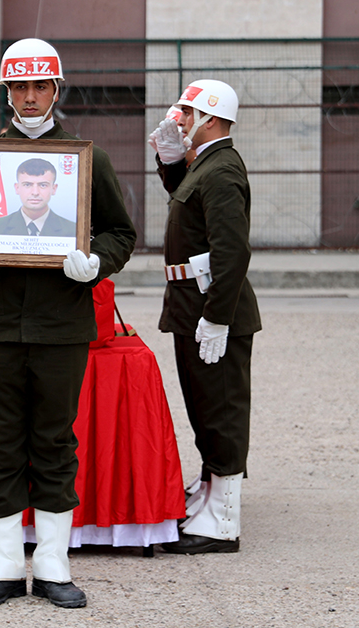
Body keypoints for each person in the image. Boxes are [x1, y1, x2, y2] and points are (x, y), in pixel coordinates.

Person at [0, 38, 136, 610]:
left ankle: (51, 562)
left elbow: (121, 232)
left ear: (55, 88)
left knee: (53, 440)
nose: (28, 96)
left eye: (39, 85)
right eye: (18, 86)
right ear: (7, 91)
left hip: (61, 327)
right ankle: (2, 562)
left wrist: (97, 262)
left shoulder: (84, 159)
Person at [149, 79, 262, 556]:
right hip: (191, 303)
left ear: (209, 118)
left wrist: (217, 316)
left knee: (221, 410)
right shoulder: (206, 165)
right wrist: (172, 161)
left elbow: (231, 250)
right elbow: (187, 205)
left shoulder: (219, 170)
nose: (179, 120)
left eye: (186, 114)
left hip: (210, 307)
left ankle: (224, 520)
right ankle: (212, 491)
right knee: (203, 406)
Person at [0, 158, 77, 237]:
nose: (35, 192)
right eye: (27, 185)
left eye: (43, 185)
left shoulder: (73, 230)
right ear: (17, 188)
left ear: (54, 189)